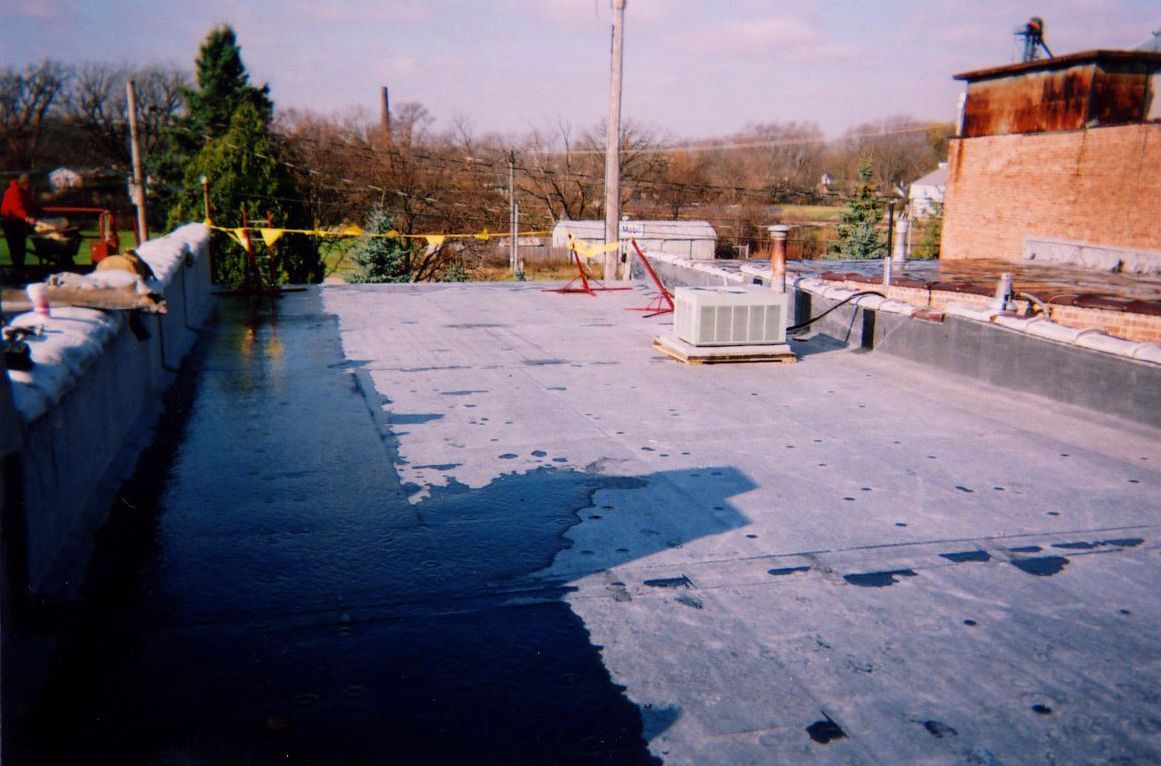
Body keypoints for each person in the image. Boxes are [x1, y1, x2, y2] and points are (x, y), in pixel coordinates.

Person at [2, 174, 40, 274]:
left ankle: (19, 269)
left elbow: (30, 204)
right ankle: (17, 270)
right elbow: (16, 209)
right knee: (15, 247)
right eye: (27, 183)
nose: (29, 185)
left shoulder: (24, 192)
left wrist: (39, 210)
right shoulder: (13, 192)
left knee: (21, 247)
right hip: (10, 222)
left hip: (18, 222)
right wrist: (27, 218)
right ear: (22, 183)